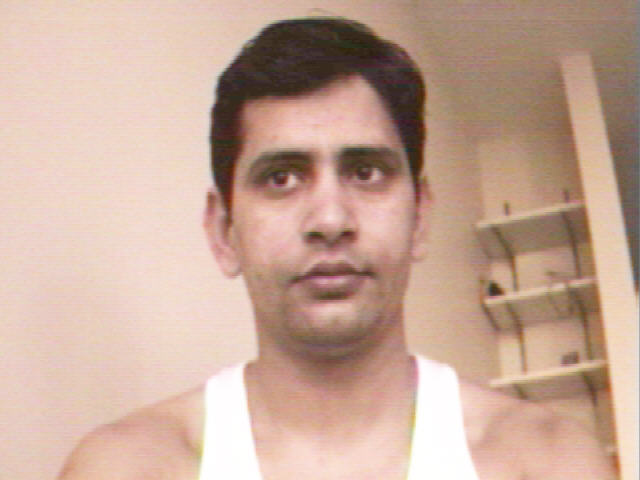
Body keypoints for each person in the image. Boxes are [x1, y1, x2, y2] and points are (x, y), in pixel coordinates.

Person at [57, 17, 615, 480]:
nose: (330, 220)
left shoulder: (550, 463)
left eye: (366, 172)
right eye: (281, 177)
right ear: (224, 232)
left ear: (420, 216)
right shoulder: (124, 468)